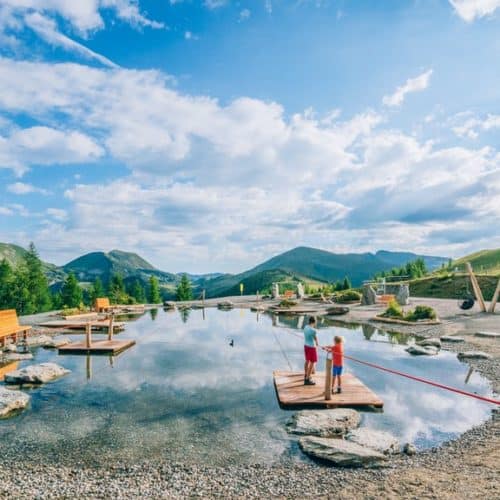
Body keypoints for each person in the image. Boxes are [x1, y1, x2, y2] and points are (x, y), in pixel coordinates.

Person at [303, 316, 318, 385]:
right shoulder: (314, 330)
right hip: (312, 347)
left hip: (306, 346)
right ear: (314, 322)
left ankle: (306, 375)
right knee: (312, 362)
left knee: (307, 361)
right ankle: (307, 379)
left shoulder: (305, 327)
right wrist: (317, 343)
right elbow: (315, 339)